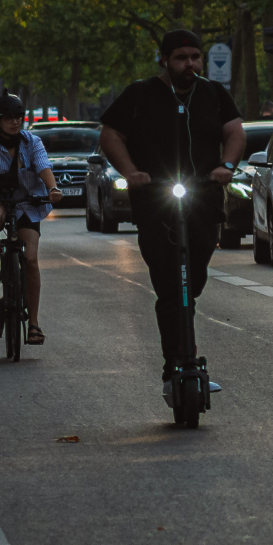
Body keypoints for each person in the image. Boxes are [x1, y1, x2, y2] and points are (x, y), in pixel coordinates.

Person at [99, 30, 245, 402]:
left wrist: (227, 165)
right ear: (164, 60)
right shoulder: (140, 94)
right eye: (181, 58)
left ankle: (185, 355)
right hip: (156, 202)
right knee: (169, 287)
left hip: (203, 198)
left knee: (191, 284)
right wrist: (131, 172)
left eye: (195, 57)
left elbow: (234, 132)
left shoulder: (213, 94)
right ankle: (175, 365)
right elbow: (111, 134)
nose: (190, 64)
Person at [0, 93, 57, 345]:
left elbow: (43, 166)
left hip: (28, 202)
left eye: (18, 117)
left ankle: (34, 324)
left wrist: (52, 189)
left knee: (31, 259)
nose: (15, 122)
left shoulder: (32, 141)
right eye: (8, 118)